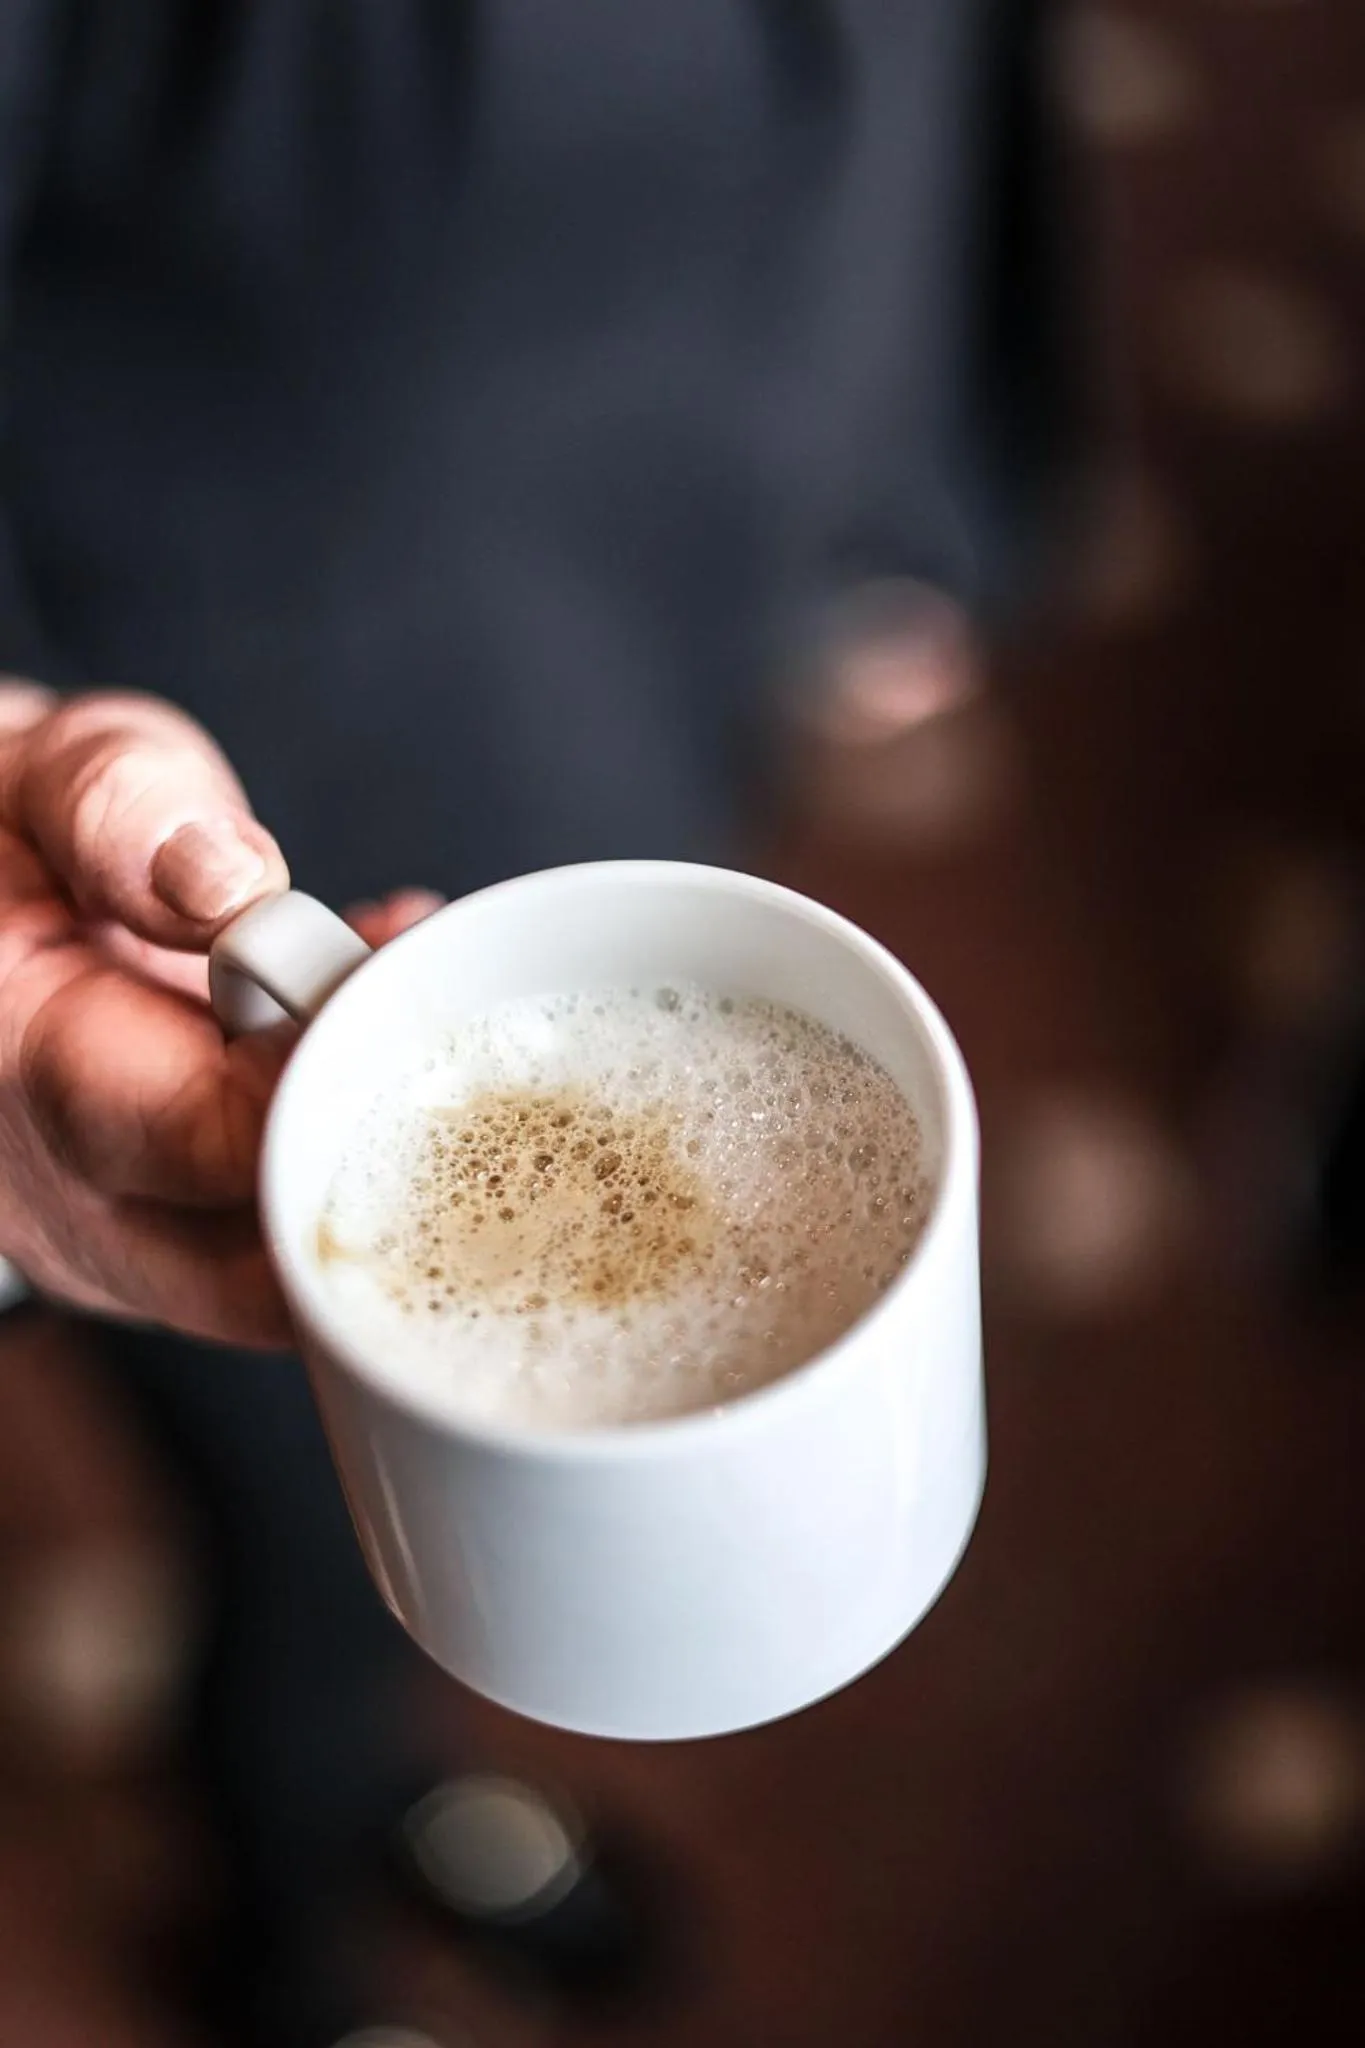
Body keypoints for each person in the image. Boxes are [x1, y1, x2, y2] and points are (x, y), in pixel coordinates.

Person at [0, 5, 1074, 2043]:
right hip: (228, 802)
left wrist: (906, 489)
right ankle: (292, 1925)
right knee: (302, 1512)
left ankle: (385, 1784)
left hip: (658, 620)